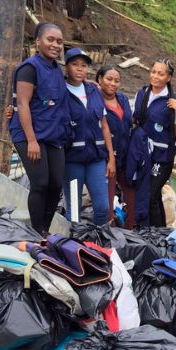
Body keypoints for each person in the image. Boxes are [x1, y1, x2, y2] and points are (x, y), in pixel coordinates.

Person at [8, 23, 69, 235]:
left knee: (56, 184)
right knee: (40, 183)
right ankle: (37, 231)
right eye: (50, 39)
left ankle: (44, 229)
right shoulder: (29, 69)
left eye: (59, 42)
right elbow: (22, 104)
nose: (55, 45)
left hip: (52, 132)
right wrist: (31, 140)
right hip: (29, 133)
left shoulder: (56, 69)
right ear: (38, 41)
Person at [60, 48, 115, 226]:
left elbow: (104, 125)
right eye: (75, 64)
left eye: (83, 65)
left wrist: (111, 157)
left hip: (96, 158)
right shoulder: (60, 91)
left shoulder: (93, 90)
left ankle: (98, 237)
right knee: (74, 209)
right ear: (66, 67)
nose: (79, 69)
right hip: (72, 160)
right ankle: (74, 239)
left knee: (102, 207)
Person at [130, 58, 176, 227]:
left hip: (162, 156)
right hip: (142, 153)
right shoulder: (142, 94)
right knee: (146, 195)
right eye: (153, 72)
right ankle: (159, 229)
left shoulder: (173, 100)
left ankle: (156, 233)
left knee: (152, 194)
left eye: (160, 74)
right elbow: (134, 121)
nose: (155, 76)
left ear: (168, 78)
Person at [96, 65, 134, 228]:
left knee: (133, 198)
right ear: (100, 79)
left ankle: (130, 233)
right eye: (109, 79)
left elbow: (130, 124)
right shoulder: (95, 99)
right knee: (108, 202)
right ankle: (109, 235)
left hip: (125, 156)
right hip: (106, 157)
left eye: (117, 80)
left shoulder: (123, 99)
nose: (113, 83)